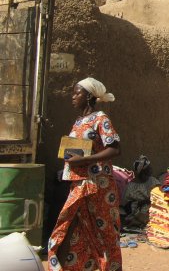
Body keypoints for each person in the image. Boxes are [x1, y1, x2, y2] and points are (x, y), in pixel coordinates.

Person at [48, 78, 122, 271]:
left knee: (104, 232)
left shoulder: (101, 119)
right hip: (78, 185)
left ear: (89, 96)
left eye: (77, 93)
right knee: (67, 229)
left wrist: (83, 161)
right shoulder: (79, 122)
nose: (73, 97)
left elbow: (114, 149)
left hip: (98, 186)